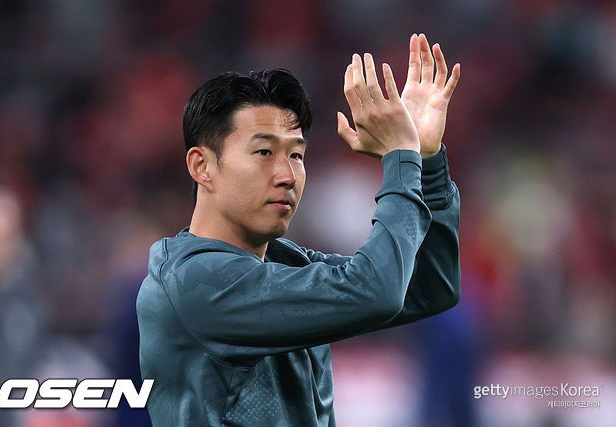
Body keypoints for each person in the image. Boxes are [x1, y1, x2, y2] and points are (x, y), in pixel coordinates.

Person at [137, 33, 461, 427]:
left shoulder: (284, 264)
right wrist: (400, 157)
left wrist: (426, 158)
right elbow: (378, 292)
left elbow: (430, 287)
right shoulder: (194, 283)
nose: (287, 175)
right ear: (201, 166)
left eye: (296, 154)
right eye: (264, 152)